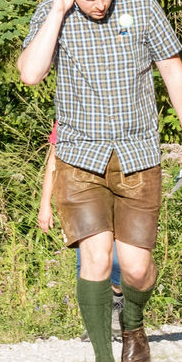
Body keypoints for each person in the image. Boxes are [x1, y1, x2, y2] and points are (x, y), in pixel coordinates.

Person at [17, 0, 182, 362]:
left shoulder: (142, 6)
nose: (99, 4)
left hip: (137, 155)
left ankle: (134, 322)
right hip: (79, 157)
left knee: (136, 268)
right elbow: (30, 73)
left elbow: (173, 73)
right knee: (96, 257)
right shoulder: (53, 13)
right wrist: (59, 12)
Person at [38, 123, 121, 323]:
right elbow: (54, 161)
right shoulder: (67, 117)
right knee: (84, 260)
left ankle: (118, 302)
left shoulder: (118, 113)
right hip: (80, 194)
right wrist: (45, 205)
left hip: (116, 192)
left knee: (117, 261)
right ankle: (94, 320)